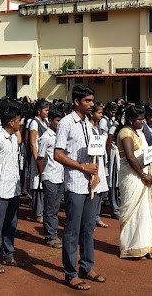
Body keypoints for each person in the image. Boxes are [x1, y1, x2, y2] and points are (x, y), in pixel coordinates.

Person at [53, 84, 105, 291]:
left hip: (90, 184)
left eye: (92, 101)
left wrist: (95, 173)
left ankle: (86, 266)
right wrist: (82, 167)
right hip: (74, 182)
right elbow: (58, 154)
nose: (91, 104)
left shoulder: (89, 125)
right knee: (72, 230)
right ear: (77, 102)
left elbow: (96, 151)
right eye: (88, 101)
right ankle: (70, 273)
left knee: (88, 228)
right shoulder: (66, 123)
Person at [116, 105, 152, 257]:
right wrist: (144, 175)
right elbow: (130, 157)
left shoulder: (138, 133)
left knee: (144, 211)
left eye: (143, 119)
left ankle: (145, 245)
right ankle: (132, 247)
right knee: (133, 210)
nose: (142, 122)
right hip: (132, 176)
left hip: (143, 174)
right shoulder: (125, 132)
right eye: (139, 119)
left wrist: (151, 172)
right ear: (130, 120)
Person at [0, 102, 24, 273]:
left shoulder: (14, 138)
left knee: (11, 224)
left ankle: (8, 254)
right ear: (10, 122)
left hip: (13, 189)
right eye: (18, 120)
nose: (20, 123)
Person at [37, 108, 64, 248]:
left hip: (60, 176)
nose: (59, 123)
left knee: (55, 207)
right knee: (50, 209)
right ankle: (50, 236)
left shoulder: (60, 135)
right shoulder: (46, 138)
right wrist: (43, 176)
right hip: (50, 176)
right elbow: (40, 158)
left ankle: (53, 233)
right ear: (50, 121)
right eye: (57, 121)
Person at [25, 99, 49, 223]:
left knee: (43, 181)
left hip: (45, 155)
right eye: (45, 110)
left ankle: (42, 209)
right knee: (37, 182)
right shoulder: (34, 123)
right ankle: (38, 211)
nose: (47, 113)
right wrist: (36, 159)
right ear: (39, 111)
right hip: (38, 155)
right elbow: (33, 142)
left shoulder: (45, 122)